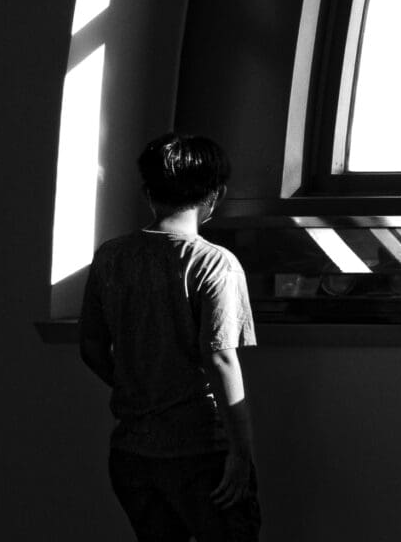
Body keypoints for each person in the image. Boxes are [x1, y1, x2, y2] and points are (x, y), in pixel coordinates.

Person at [79, 132, 261, 540]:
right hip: (199, 450)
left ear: (148, 192)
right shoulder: (215, 263)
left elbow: (91, 346)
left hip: (132, 453)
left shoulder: (111, 256)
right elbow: (220, 358)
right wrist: (240, 450)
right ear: (216, 193)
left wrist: (136, 385)